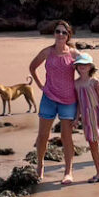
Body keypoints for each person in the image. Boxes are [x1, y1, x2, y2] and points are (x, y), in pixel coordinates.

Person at [29, 20, 78, 185]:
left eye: (64, 32)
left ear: (68, 35)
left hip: (68, 100)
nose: (60, 35)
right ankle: (40, 165)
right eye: (58, 31)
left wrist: (93, 85)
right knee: (43, 135)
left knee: (66, 137)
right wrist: (39, 85)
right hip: (49, 98)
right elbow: (32, 67)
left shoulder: (73, 54)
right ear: (54, 33)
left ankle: (68, 171)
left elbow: (88, 68)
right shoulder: (47, 52)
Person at [73, 52, 99, 184]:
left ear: (90, 66)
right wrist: (76, 118)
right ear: (77, 67)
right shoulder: (76, 83)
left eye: (85, 64)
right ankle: (98, 172)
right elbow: (79, 102)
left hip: (97, 115)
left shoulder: (95, 81)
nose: (82, 67)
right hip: (86, 118)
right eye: (80, 64)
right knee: (93, 145)